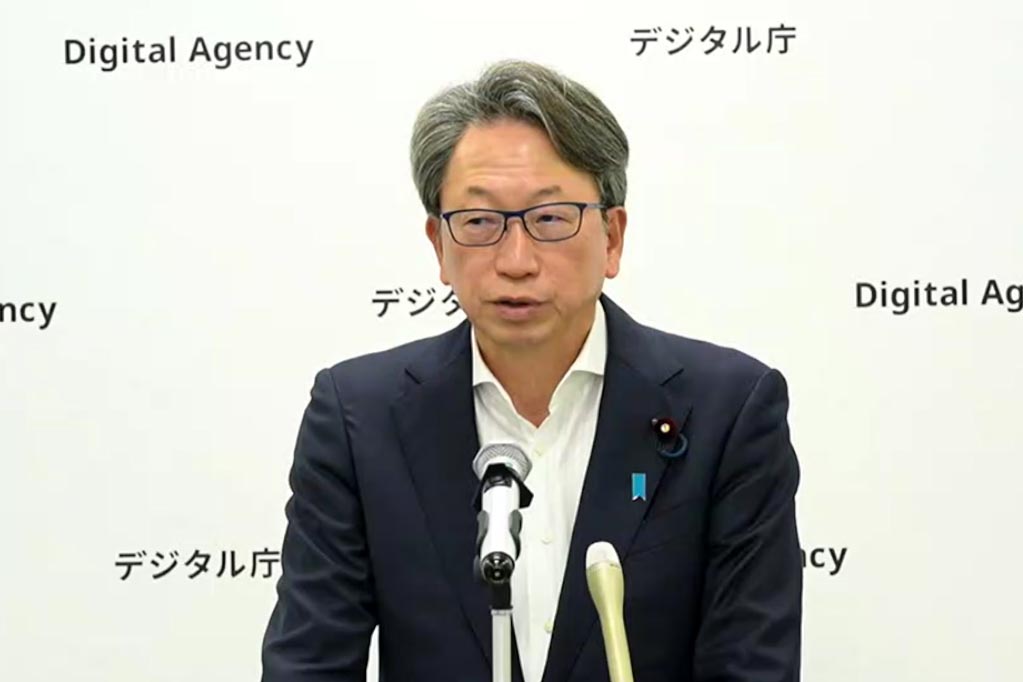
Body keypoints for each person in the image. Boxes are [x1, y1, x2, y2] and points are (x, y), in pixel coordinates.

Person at [261, 59, 802, 682]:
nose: (515, 261)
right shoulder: (359, 419)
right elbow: (309, 664)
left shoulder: (727, 413)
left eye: (549, 219)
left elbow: (752, 665)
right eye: (480, 222)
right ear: (439, 246)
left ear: (612, 237)